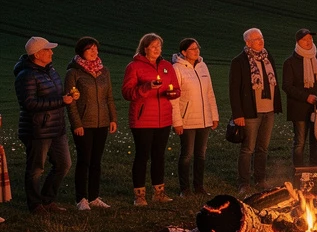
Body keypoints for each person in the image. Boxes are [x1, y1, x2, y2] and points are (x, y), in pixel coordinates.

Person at [13, 36, 74, 213]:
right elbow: (29, 104)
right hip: (37, 129)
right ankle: (35, 204)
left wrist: (68, 96)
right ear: (38, 54)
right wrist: (61, 101)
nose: (52, 52)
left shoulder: (50, 70)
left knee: (64, 164)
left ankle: (48, 200)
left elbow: (54, 95)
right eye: (47, 49)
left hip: (56, 127)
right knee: (36, 169)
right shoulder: (26, 75)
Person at [122, 33, 181, 206]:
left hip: (163, 118)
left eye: (159, 46)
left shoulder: (166, 66)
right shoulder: (134, 67)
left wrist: (172, 93)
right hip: (142, 119)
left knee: (159, 156)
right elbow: (127, 93)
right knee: (142, 156)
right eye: (153, 46)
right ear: (145, 48)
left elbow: (176, 89)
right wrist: (146, 87)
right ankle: (139, 195)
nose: (157, 49)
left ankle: (159, 192)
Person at [64, 36, 118, 209]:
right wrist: (76, 124)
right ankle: (81, 199)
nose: (94, 52)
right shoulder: (73, 73)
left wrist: (113, 118)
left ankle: (94, 196)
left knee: (96, 161)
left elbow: (109, 97)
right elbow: (71, 102)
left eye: (95, 48)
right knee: (84, 160)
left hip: (101, 122)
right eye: (90, 49)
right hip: (84, 124)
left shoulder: (104, 71)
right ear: (81, 52)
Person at [229, 28, 282, 194]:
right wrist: (238, 114)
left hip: (269, 110)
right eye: (256, 39)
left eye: (261, 38)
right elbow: (234, 90)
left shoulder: (268, 58)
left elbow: (274, 83)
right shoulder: (240, 61)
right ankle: (244, 183)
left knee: (263, 148)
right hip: (251, 112)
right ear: (248, 42)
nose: (261, 41)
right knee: (248, 149)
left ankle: (260, 180)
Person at [171, 38, 219, 197]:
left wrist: (214, 115)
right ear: (183, 52)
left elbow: (210, 93)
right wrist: (177, 121)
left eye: (197, 48)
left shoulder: (202, 66)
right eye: (192, 49)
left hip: (204, 119)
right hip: (187, 120)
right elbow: (174, 98)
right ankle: (184, 188)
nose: (196, 51)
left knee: (201, 154)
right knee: (187, 154)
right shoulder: (177, 69)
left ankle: (199, 186)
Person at [282, 29, 317, 168]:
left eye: (310, 39)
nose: (309, 42)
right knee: (300, 142)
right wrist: (306, 97)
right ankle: (299, 172)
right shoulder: (290, 62)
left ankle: (315, 170)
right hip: (299, 108)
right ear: (298, 42)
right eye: (305, 39)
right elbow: (287, 86)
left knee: (316, 140)